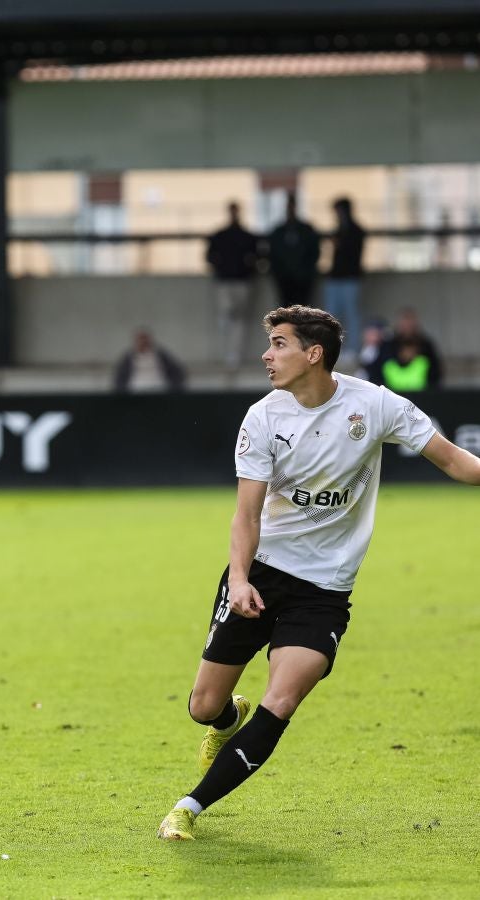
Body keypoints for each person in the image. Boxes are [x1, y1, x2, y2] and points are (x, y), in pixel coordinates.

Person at [156, 304, 480, 841]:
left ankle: (187, 809)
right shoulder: (263, 417)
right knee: (203, 706)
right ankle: (224, 721)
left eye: (278, 344)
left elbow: (455, 461)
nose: (267, 354)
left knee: (280, 701)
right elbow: (247, 514)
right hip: (260, 573)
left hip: (325, 590)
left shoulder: (375, 405)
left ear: (314, 354)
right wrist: (239, 579)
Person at [205, 202, 260, 368]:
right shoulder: (220, 236)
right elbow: (209, 256)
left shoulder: (246, 237)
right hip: (225, 281)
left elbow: (257, 256)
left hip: (242, 281)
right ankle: (228, 352)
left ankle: (234, 354)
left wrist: (247, 268)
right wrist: (220, 267)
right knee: (226, 317)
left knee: (238, 319)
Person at [322, 197, 366, 361]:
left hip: (350, 278)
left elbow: (353, 254)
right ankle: (333, 350)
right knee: (331, 316)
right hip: (336, 277)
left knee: (351, 313)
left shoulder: (355, 231)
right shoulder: (340, 230)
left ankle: (353, 349)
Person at [265, 194, 320, 308]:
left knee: (303, 310)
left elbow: (314, 252)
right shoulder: (279, 231)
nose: (290, 209)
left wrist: (306, 271)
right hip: (284, 279)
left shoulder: (306, 230)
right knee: (286, 309)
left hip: (303, 279)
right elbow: (272, 254)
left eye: (292, 206)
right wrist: (278, 272)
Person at [378, 308, 443, 392]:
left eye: (410, 322)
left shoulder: (426, 345)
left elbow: (435, 373)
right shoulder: (387, 345)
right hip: (391, 395)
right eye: (405, 322)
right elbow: (379, 371)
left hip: (422, 395)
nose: (408, 325)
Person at [113, 329, 185, 393]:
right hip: (135, 389)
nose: (143, 342)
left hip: (159, 388)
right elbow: (119, 377)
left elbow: (177, 371)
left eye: (145, 339)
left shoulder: (161, 355)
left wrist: (175, 387)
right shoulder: (128, 357)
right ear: (135, 341)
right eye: (140, 339)